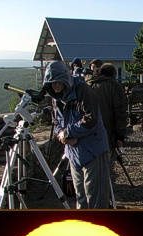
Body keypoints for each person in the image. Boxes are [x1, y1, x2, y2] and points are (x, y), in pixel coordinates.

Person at [43, 60, 111, 209]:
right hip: (74, 154)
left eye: (57, 81)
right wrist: (63, 136)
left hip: (93, 150)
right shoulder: (57, 99)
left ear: (64, 78)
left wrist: (69, 132)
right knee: (81, 197)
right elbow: (56, 123)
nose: (55, 85)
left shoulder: (82, 90)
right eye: (51, 83)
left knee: (96, 198)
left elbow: (91, 119)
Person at [87, 62, 127, 152]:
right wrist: (120, 135)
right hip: (107, 130)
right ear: (113, 74)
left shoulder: (89, 84)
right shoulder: (114, 85)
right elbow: (119, 110)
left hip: (90, 130)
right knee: (105, 160)